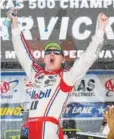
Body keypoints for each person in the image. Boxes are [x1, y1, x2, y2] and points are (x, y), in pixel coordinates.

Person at [8, 10, 109, 139]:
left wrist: (100, 30)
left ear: (63, 59)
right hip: (32, 131)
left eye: (56, 52)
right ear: (43, 59)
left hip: (50, 130)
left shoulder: (66, 77)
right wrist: (15, 23)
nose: (51, 54)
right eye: (48, 52)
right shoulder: (35, 74)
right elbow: (22, 53)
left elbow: (86, 59)